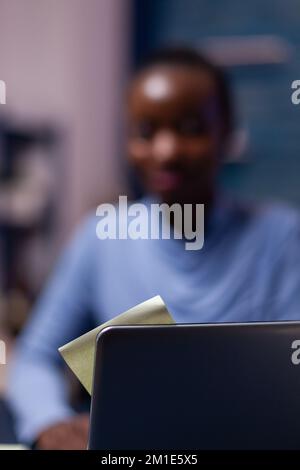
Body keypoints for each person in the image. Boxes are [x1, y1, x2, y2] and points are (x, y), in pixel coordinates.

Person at [7, 47, 300, 449]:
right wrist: (50, 422)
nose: (166, 151)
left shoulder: (282, 237)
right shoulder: (100, 238)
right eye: (146, 132)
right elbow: (33, 360)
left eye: (191, 127)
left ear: (227, 132)